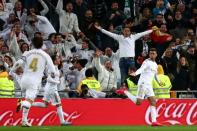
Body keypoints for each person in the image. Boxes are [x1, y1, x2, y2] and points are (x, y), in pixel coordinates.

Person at [10, 37, 56, 127]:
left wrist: (11, 72)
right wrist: (52, 77)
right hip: (34, 81)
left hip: (24, 80)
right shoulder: (45, 55)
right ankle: (21, 103)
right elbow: (53, 71)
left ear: (32, 44)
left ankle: (24, 121)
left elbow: (18, 63)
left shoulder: (27, 53)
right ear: (42, 44)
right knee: (28, 101)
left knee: (28, 100)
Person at [116, 48, 162, 126]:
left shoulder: (155, 64)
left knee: (153, 101)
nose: (152, 55)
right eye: (150, 53)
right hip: (143, 83)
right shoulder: (146, 62)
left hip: (149, 85)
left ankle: (154, 121)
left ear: (156, 54)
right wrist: (135, 73)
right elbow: (141, 69)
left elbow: (155, 75)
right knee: (138, 102)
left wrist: (159, 82)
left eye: (153, 53)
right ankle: (125, 92)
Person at [31, 54, 71, 126]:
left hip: (50, 88)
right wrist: (57, 82)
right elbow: (49, 79)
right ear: (54, 61)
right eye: (57, 58)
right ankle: (62, 122)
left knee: (45, 105)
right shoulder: (52, 68)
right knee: (59, 104)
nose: (59, 59)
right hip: (52, 89)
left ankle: (26, 103)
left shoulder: (55, 68)